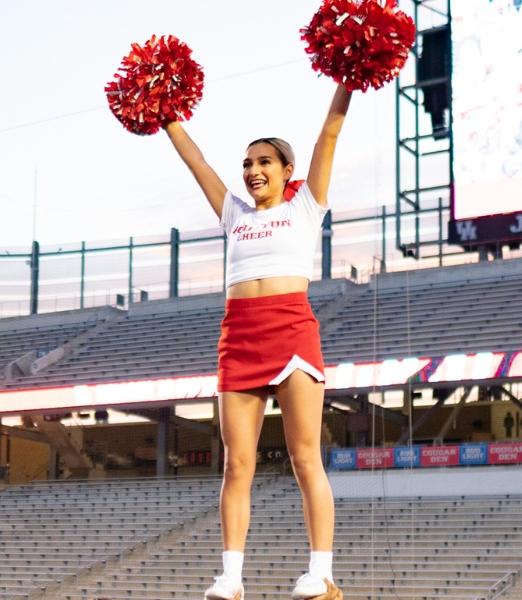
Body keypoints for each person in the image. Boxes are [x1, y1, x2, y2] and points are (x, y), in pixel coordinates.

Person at [164, 82, 353, 600]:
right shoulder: (234, 214)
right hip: (239, 336)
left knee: (304, 457)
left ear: (286, 170)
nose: (252, 171)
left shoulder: (307, 206)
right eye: (247, 163)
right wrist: (165, 112)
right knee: (236, 463)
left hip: (292, 330)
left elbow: (328, 133)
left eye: (264, 161)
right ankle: (230, 576)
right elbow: (194, 159)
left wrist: (349, 77)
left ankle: (320, 570)